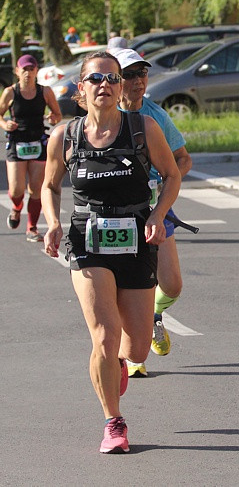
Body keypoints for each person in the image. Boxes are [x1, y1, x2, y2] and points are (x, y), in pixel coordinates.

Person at [41, 51, 181, 453]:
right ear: (81, 91)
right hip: (88, 237)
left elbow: (172, 175)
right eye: (95, 79)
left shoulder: (143, 129)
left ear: (120, 88)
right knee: (103, 336)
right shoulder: (64, 137)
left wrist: (158, 213)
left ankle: (120, 364)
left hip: (136, 236)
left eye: (112, 79)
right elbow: (50, 186)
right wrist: (52, 222)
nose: (105, 85)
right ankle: (113, 422)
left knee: (135, 347)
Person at [112, 47, 193, 377]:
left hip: (153, 211)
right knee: (124, 287)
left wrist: (163, 181)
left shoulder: (155, 116)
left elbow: (183, 159)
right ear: (116, 80)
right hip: (115, 216)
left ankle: (155, 315)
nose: (137, 81)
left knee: (171, 286)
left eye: (142, 74)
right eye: (129, 75)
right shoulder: (103, 115)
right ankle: (131, 358)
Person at [0, 54, 62, 241]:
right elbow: (0, 115)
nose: (28, 73)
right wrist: (5, 124)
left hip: (38, 142)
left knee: (36, 188)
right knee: (17, 189)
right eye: (24, 69)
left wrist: (53, 119)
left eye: (31, 69)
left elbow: (57, 114)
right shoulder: (11, 92)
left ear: (36, 71)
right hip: (17, 143)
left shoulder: (45, 92)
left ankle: (32, 228)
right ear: (18, 71)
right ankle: (16, 207)